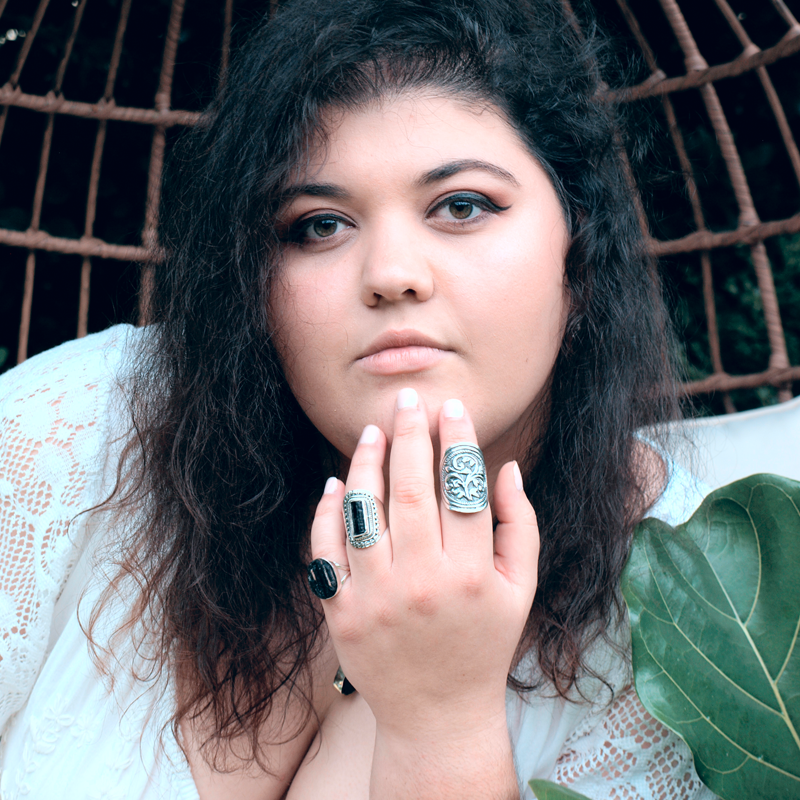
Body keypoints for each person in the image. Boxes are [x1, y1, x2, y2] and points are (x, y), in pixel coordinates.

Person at [0, 0, 716, 797]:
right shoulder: (79, 429)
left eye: (462, 206)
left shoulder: (682, 611)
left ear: (578, 258)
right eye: (319, 225)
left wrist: (441, 719)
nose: (390, 273)